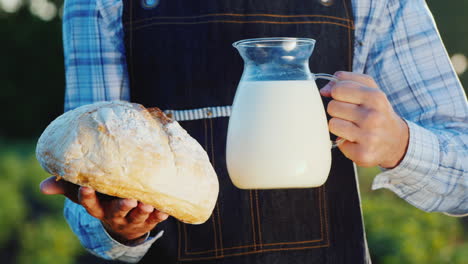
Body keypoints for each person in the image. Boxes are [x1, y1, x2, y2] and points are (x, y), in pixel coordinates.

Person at [40, 0, 468, 263]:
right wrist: (119, 228)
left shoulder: (376, 2)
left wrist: (400, 144)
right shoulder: (99, 2)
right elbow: (87, 187)